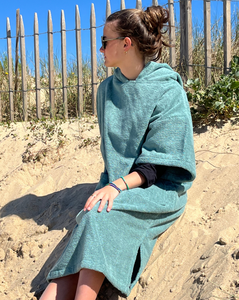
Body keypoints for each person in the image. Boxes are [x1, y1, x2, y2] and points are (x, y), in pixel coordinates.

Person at [39, 5, 196, 300]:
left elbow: (159, 166)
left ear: (126, 44)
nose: (100, 49)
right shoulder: (107, 90)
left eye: (104, 41)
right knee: (91, 216)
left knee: (99, 216)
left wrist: (117, 186)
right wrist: (112, 184)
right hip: (117, 184)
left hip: (159, 189)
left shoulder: (167, 90)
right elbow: (116, 156)